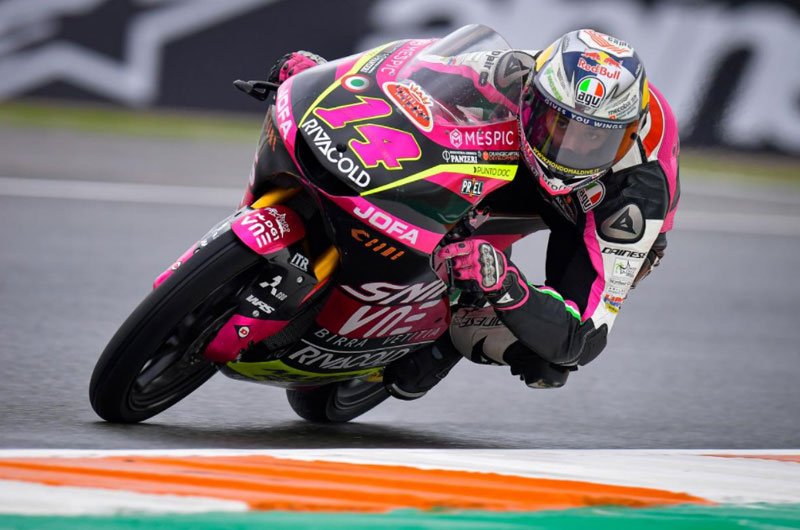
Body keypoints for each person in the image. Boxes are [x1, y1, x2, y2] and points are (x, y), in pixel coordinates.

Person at [268, 28, 680, 398]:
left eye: (593, 137)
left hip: (593, 208)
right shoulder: (510, 74)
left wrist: (507, 284)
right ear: (533, 99)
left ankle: (453, 332)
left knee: (551, 358)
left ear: (627, 136)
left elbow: (583, 336)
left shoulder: (638, 192)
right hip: (522, 159)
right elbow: (407, 71)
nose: (571, 148)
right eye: (560, 125)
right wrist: (329, 78)